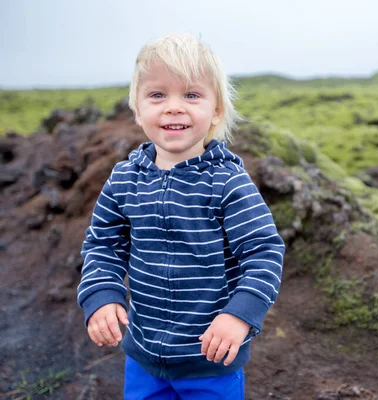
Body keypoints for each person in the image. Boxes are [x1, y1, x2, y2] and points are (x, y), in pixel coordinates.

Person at [76, 33, 285, 399]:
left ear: (216, 110)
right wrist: (101, 294)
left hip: (211, 360)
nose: (174, 107)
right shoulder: (125, 179)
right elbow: (103, 245)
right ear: (138, 110)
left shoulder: (228, 182)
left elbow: (263, 253)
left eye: (191, 95)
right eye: (157, 95)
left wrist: (239, 316)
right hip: (143, 358)